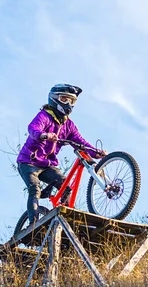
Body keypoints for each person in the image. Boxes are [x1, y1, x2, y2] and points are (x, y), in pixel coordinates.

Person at [16, 84, 107, 232]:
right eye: (64, 99)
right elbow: (33, 128)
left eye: (72, 101)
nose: (68, 104)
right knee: (34, 189)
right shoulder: (44, 116)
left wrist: (96, 152)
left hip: (47, 164)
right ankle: (32, 226)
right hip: (28, 162)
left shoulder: (68, 125)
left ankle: (68, 221)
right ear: (54, 99)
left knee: (65, 186)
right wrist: (44, 135)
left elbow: (80, 142)